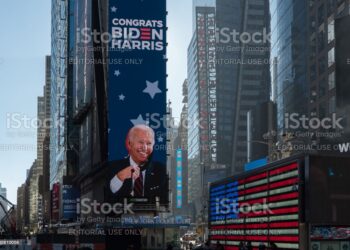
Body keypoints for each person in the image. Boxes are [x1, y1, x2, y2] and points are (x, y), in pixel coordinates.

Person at [106, 125, 168, 204]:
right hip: (120, 214)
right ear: (129, 144)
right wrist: (120, 177)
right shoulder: (112, 167)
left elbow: (165, 201)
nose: (144, 147)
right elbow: (108, 197)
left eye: (149, 143)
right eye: (140, 142)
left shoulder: (161, 170)